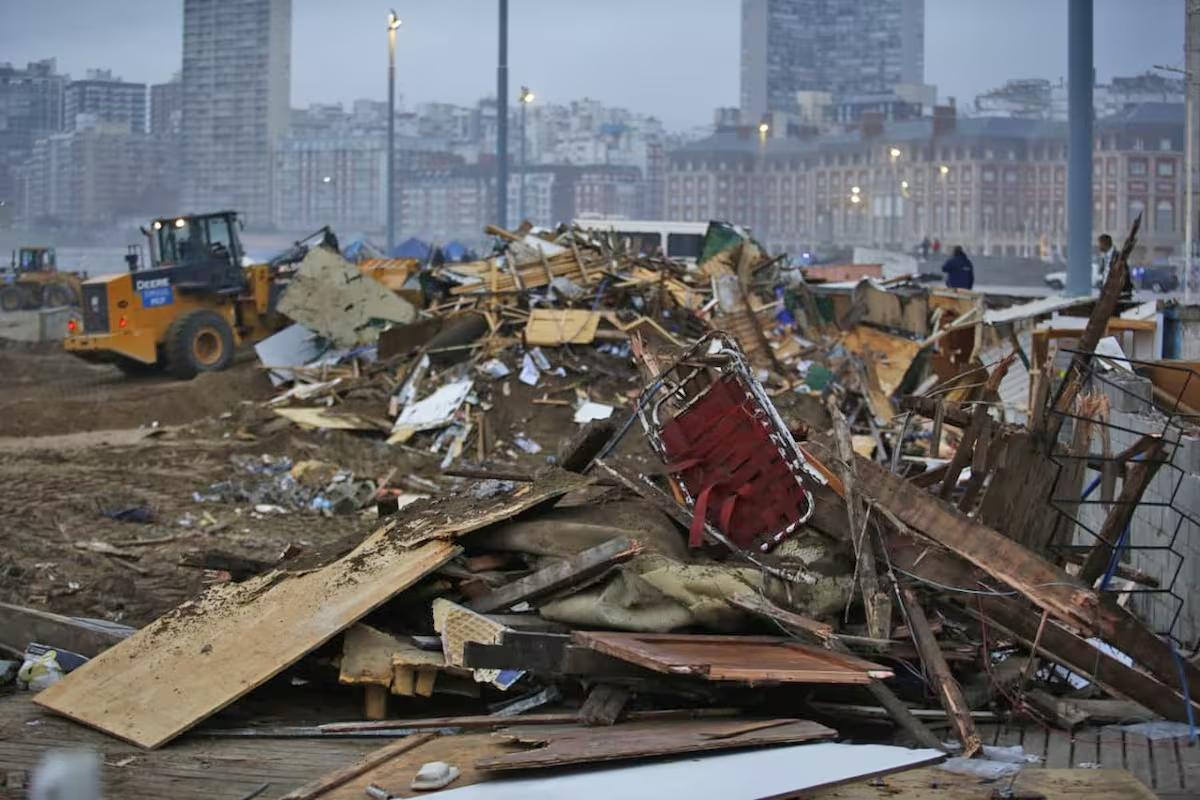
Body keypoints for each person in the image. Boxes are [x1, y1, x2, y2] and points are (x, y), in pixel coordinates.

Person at [1096, 233, 1133, 297]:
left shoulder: (1118, 256)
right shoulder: (1104, 257)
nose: (1098, 246)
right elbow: (1103, 274)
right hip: (1107, 294)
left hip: (1117, 295)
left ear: (1104, 243)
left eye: (1099, 244)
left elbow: (1124, 275)